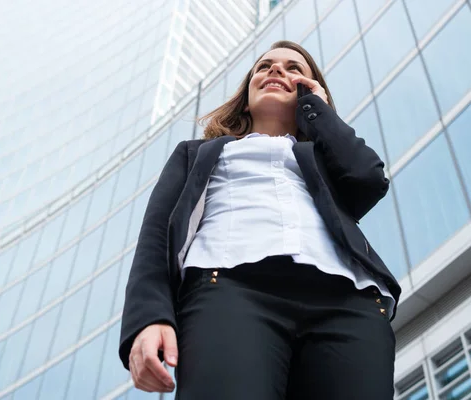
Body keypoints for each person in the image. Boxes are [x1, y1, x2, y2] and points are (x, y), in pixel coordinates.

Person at [119, 40, 402, 399]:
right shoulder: (197, 154)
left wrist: (319, 112)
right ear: (247, 90)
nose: (276, 70)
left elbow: (367, 180)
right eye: (264, 66)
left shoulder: (325, 161)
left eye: (294, 68)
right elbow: (157, 238)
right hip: (230, 291)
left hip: (349, 303)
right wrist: (149, 317)